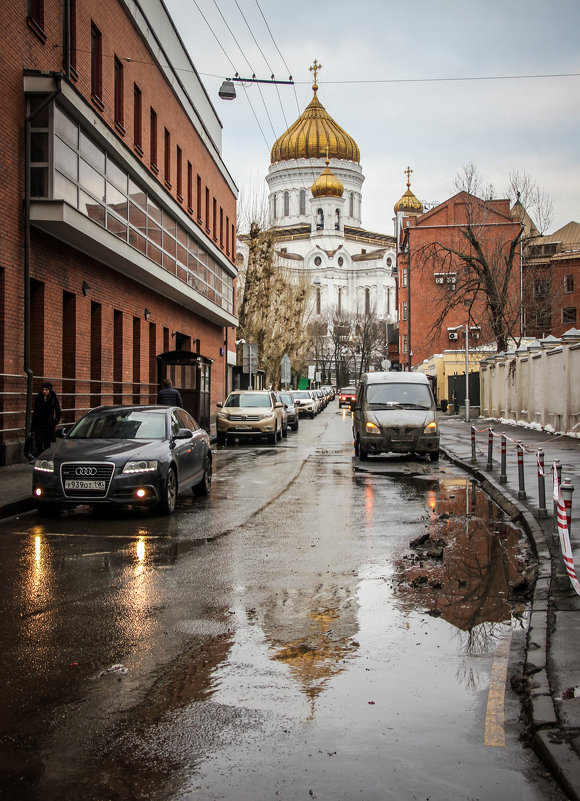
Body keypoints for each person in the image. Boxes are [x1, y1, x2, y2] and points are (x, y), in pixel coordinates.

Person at [30, 381, 62, 455]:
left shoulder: (53, 399)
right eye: (43, 390)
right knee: (38, 442)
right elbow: (35, 413)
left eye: (46, 390)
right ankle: (41, 455)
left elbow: (58, 411)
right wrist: (33, 428)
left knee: (47, 443)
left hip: (48, 425)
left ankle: (45, 457)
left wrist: (55, 421)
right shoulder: (38, 399)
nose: (44, 391)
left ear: (49, 390)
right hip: (39, 424)